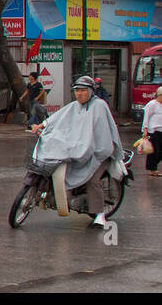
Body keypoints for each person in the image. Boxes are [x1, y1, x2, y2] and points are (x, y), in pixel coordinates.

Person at [30, 76, 125, 228]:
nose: (79, 94)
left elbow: (100, 134)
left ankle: (100, 215)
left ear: (91, 91)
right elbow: (57, 118)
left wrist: (87, 146)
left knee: (93, 181)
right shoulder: (74, 106)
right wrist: (41, 125)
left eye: (83, 91)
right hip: (80, 150)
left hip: (99, 152)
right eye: (77, 91)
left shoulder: (99, 106)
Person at [140, 87, 162, 178]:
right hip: (153, 131)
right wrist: (145, 130)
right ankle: (152, 169)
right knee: (154, 151)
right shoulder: (152, 104)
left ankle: (153, 166)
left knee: (160, 152)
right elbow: (146, 117)